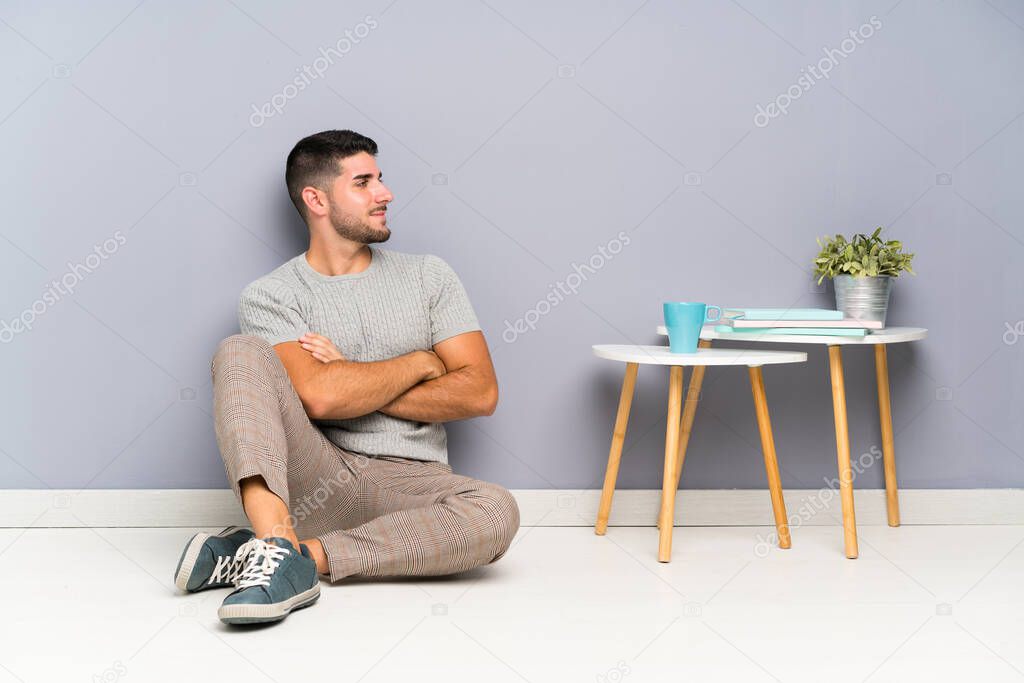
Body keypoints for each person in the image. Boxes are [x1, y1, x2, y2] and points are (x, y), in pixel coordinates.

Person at [172, 129, 520, 626]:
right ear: (316, 199)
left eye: (380, 178)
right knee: (240, 350)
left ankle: (287, 559)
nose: (385, 193)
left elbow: (480, 392)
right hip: (315, 474)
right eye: (364, 182)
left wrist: (347, 377)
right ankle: (273, 538)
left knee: (495, 511)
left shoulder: (429, 276)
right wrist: (422, 362)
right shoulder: (271, 295)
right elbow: (320, 398)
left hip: (412, 486)